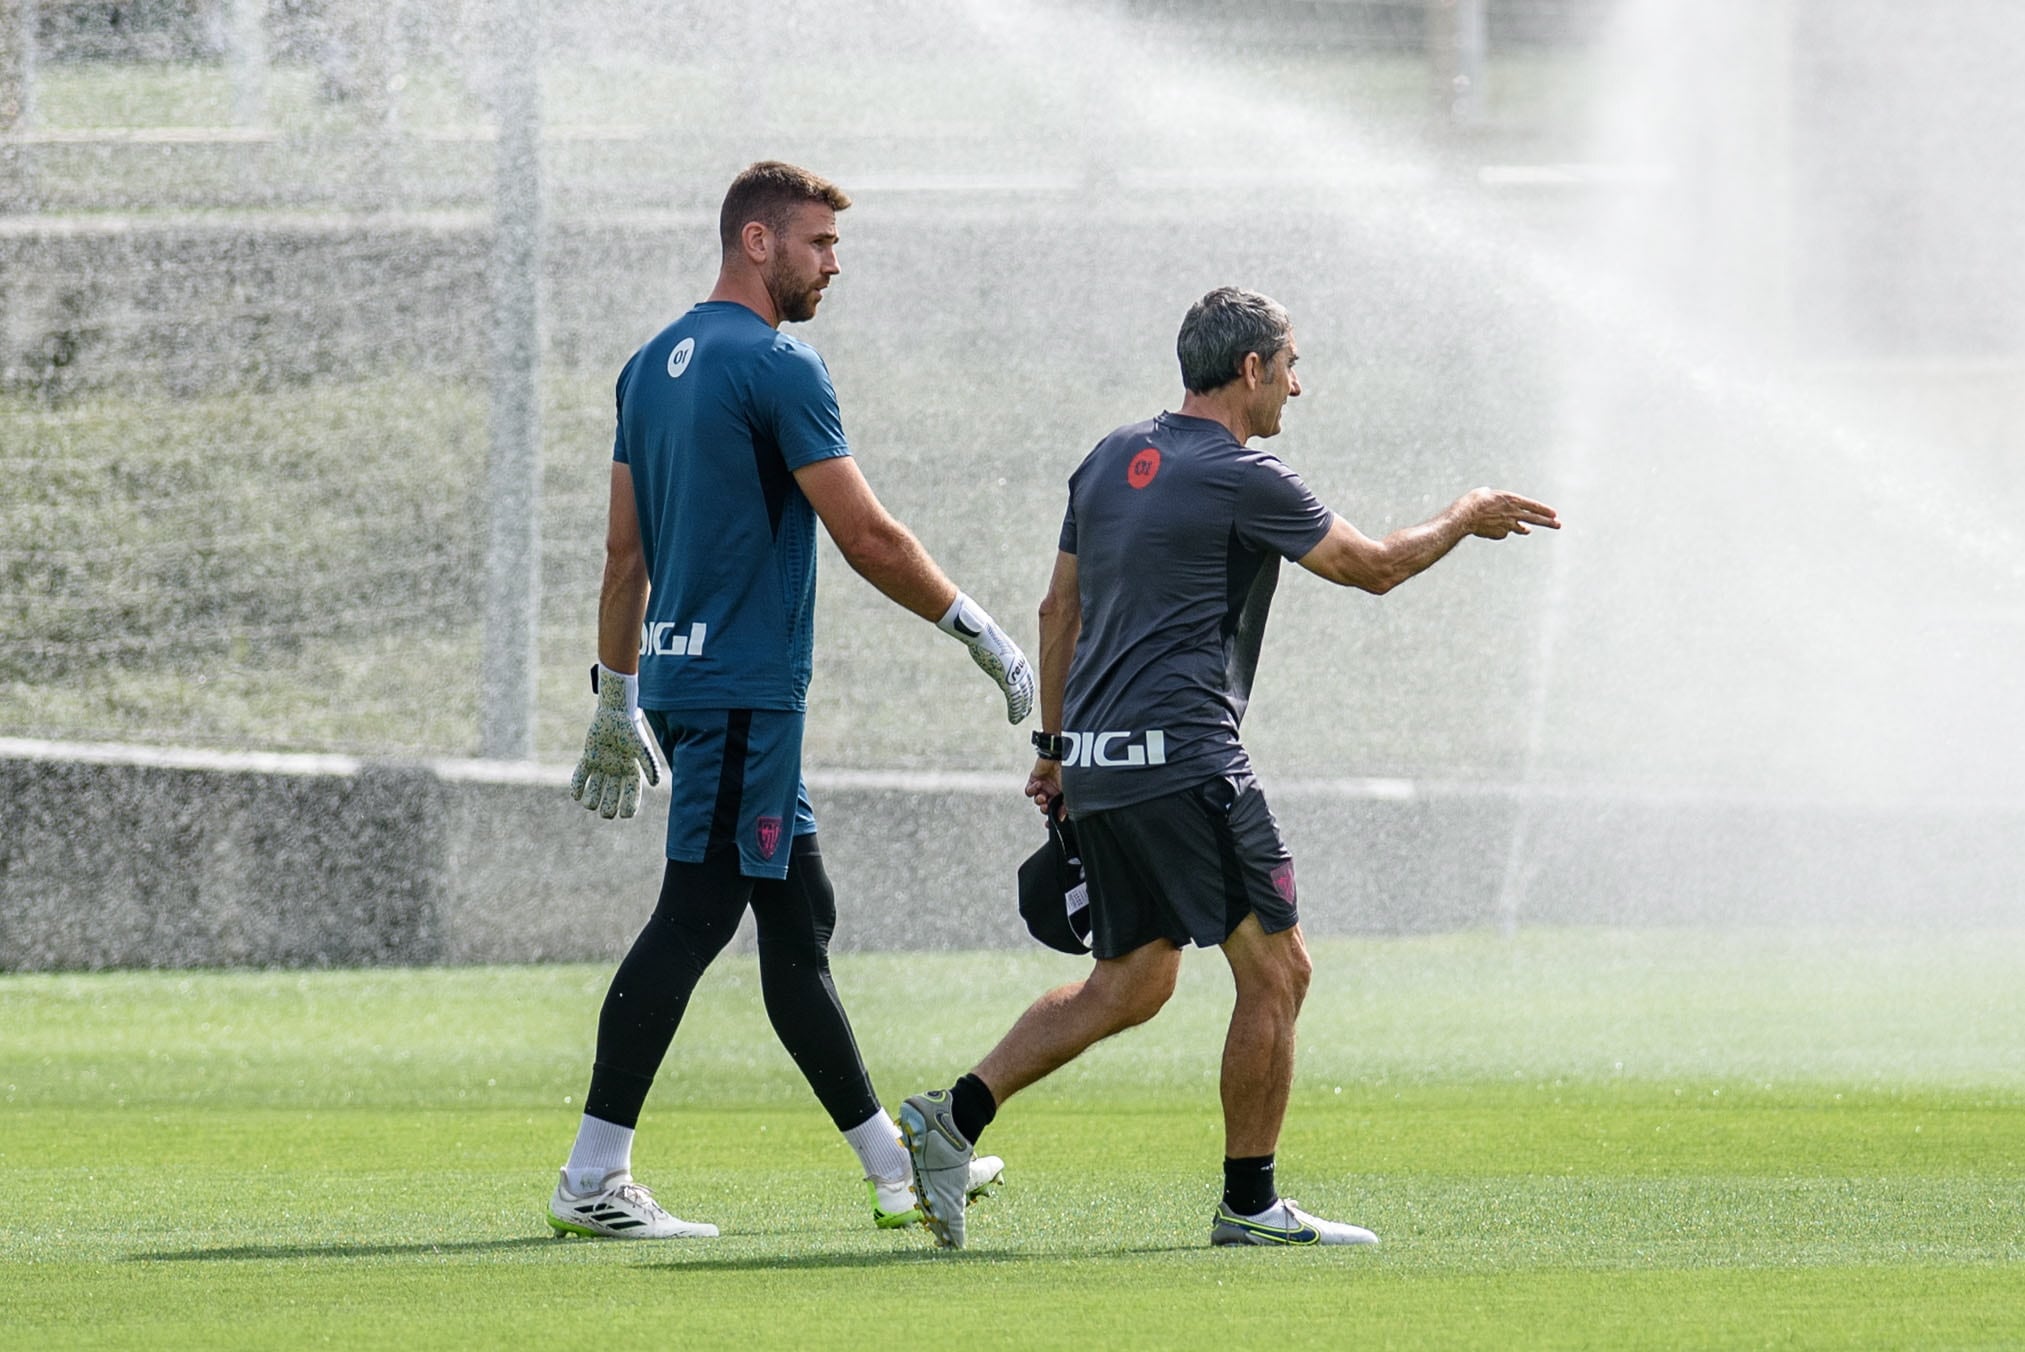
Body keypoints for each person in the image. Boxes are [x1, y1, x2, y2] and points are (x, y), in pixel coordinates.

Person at [899, 286, 1560, 1250]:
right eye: (1290, 363)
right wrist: (1464, 513)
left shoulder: (1106, 457)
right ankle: (1249, 1206)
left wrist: (1055, 750)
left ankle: (952, 1118)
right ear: (1249, 369)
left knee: (1131, 983)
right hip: (1187, 760)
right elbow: (1369, 567)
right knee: (1278, 970)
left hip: (1104, 761)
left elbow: (1056, 613)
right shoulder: (1245, 474)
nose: (1299, 382)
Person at [549, 161, 1036, 1240]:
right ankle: (592, 1174)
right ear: (757, 242)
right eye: (819, 244)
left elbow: (622, 557)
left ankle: (895, 1168)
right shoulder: (778, 363)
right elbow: (868, 537)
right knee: (697, 914)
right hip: (740, 694)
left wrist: (617, 695)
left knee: (796, 916)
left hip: (692, 686)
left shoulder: (647, 367)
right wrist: (980, 629)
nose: (832, 266)